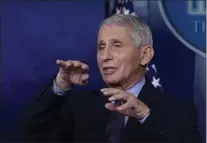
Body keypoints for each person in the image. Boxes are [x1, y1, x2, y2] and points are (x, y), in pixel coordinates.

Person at [21, 14, 202, 143]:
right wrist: (60, 86)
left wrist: (144, 116)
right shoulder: (79, 107)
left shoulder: (178, 112)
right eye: (101, 47)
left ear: (145, 55)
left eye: (117, 45)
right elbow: (29, 133)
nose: (105, 56)